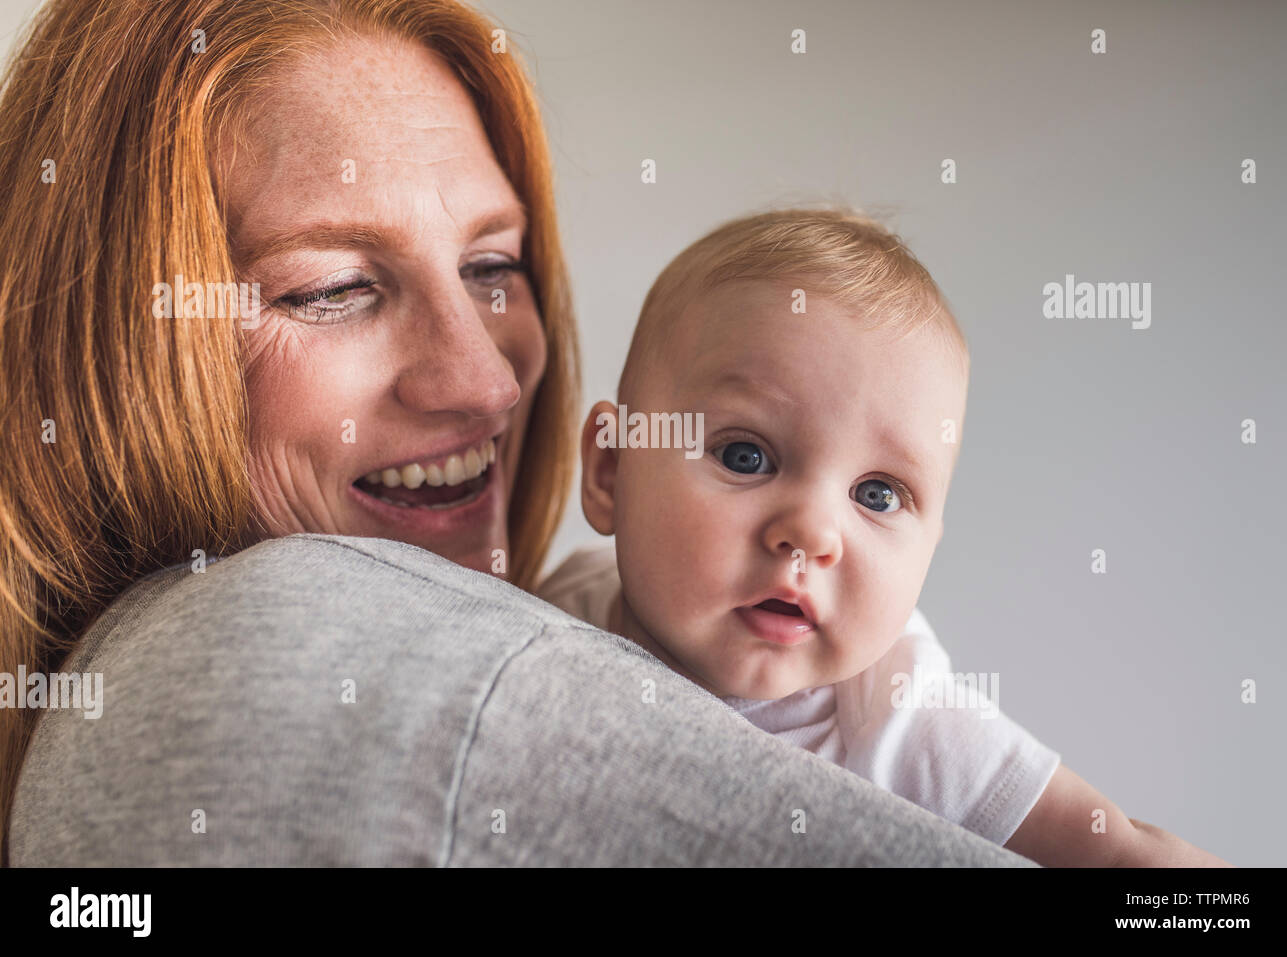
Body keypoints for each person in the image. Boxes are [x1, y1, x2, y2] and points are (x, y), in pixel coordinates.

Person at [0, 0, 1028, 866]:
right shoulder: (273, 648)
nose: (485, 379)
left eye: (493, 269)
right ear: (103, 348)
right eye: (334, 288)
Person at [538, 208, 1231, 867]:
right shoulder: (561, 605)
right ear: (611, 465)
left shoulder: (902, 712)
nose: (812, 532)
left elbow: (1116, 852)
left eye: (878, 495)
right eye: (746, 455)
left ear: (930, 544)